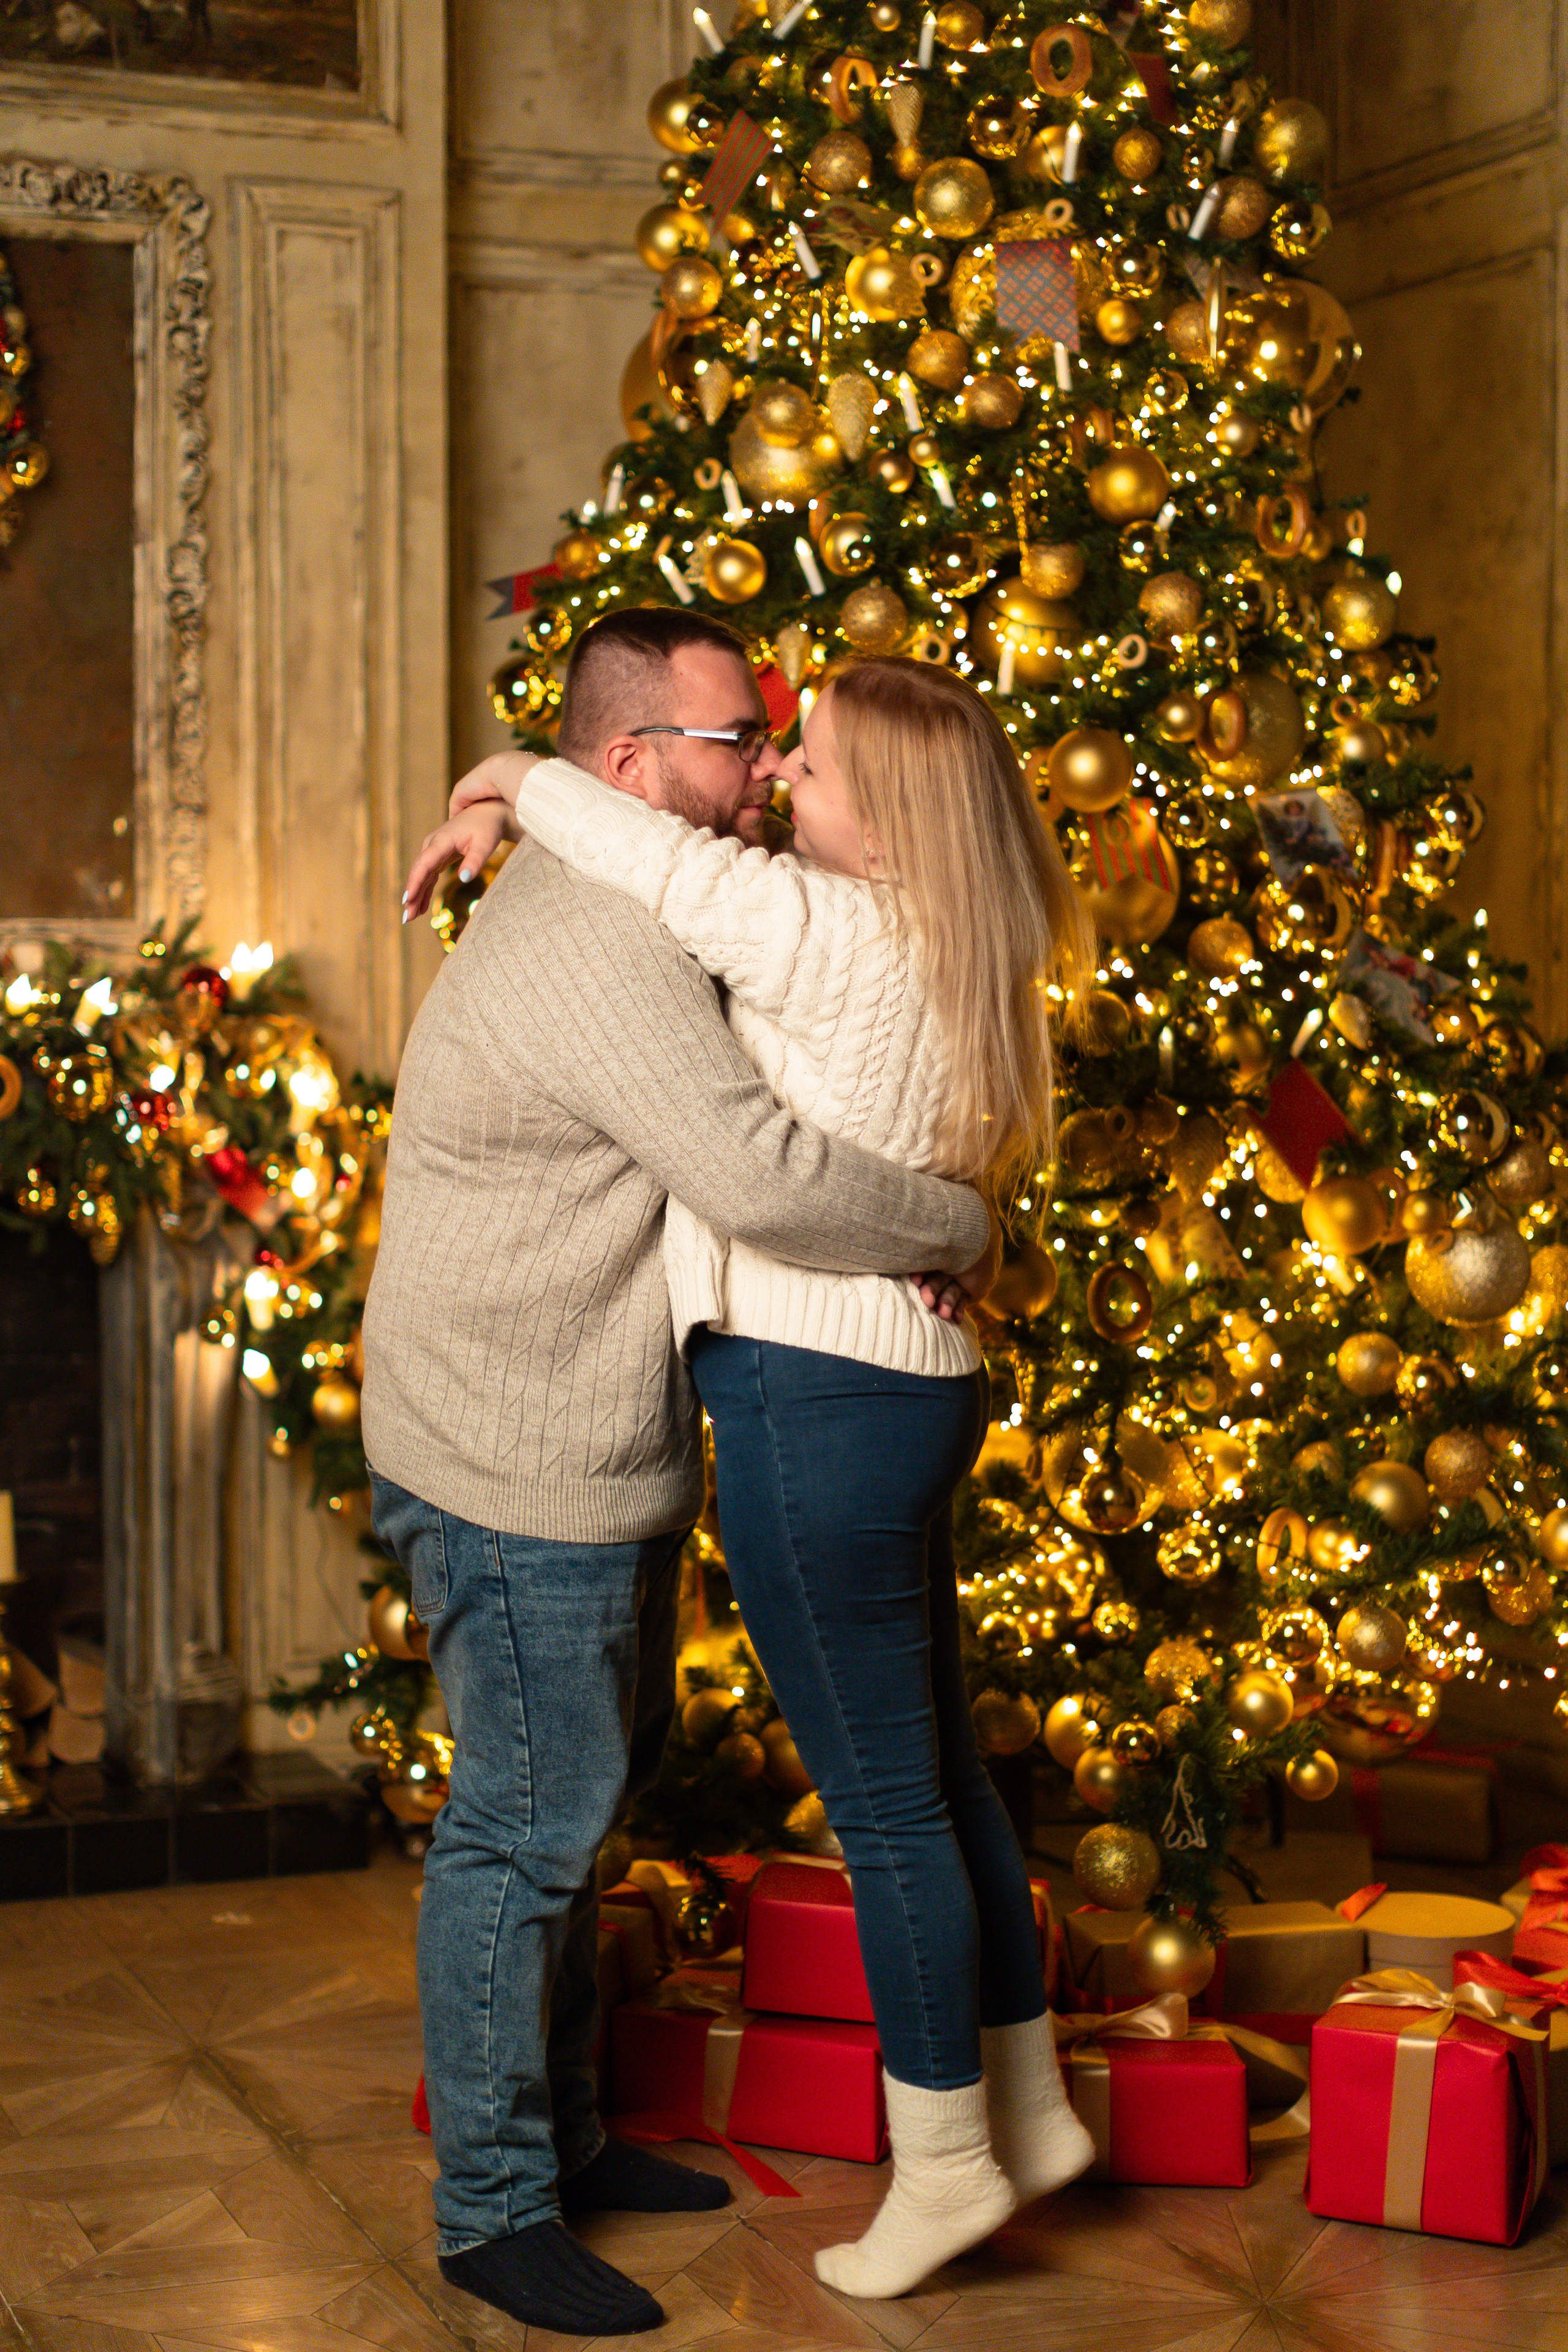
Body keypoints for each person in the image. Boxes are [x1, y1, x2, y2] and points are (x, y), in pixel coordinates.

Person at [412, 654, 1098, 2304]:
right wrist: (968, 1232)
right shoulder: (960, 939)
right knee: (937, 1771)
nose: (784, 776)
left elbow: (658, 872)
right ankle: (1028, 2102)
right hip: (911, 1389)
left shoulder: (827, 928)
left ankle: (944, 2169)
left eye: (817, 763)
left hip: (817, 1398)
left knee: (883, 1807)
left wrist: (511, 769)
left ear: (896, 815)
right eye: (765, 746)